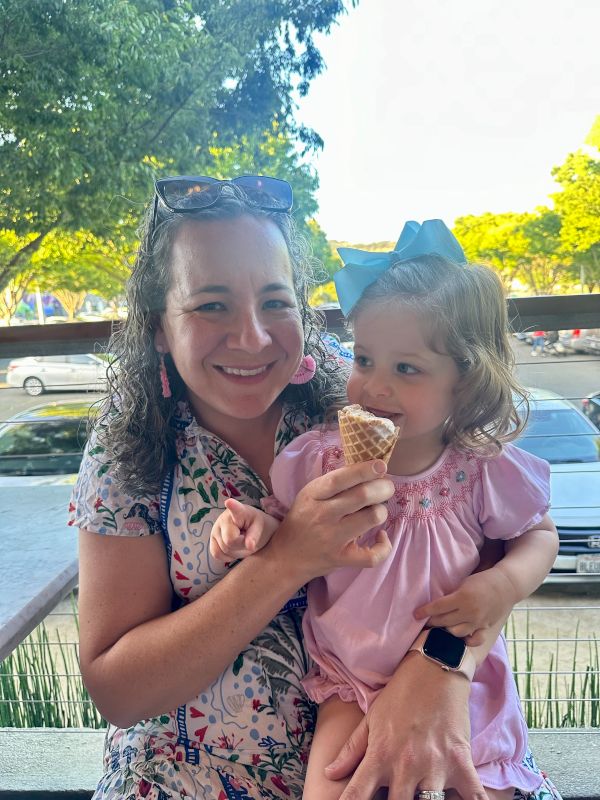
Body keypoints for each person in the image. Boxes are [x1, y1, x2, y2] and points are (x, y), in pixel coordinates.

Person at [69, 181, 563, 800]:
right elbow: (118, 691)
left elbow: (480, 535)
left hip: (408, 746)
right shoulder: (127, 451)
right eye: (210, 305)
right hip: (186, 780)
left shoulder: (360, 394)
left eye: (275, 302)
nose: (251, 337)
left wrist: (440, 664)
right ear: (158, 326)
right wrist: (286, 559)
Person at [210, 220, 561, 800]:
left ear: (465, 382)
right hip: (348, 680)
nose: (374, 386)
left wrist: (502, 584)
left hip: (459, 681)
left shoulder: (479, 469)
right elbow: (291, 528)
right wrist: (256, 527)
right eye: (365, 359)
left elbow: (538, 536)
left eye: (407, 368)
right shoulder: (321, 461)